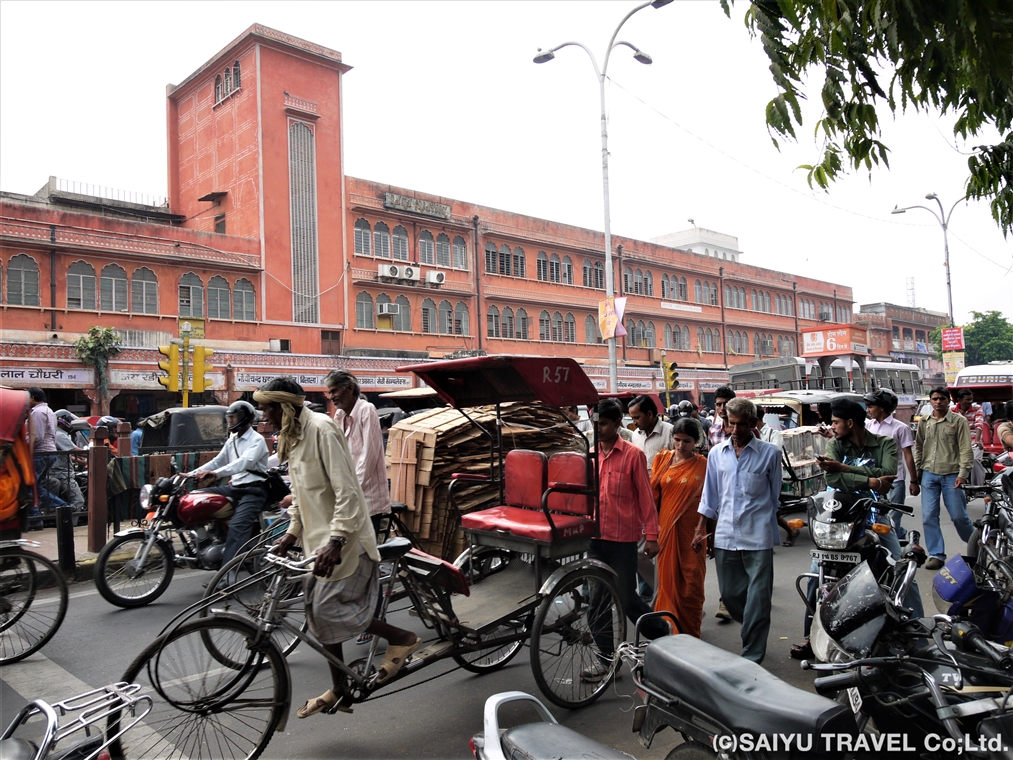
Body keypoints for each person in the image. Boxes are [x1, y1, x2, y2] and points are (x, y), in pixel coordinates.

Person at [258, 377, 420, 716]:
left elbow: (348, 491)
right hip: (318, 543)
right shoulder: (295, 437)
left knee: (330, 611)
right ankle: (340, 686)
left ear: (284, 406)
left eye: (268, 408)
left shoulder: (323, 430)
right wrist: (291, 534)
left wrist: (336, 541)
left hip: (346, 541)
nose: (265, 415)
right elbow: (303, 494)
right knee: (317, 614)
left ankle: (403, 637)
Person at [791, 397, 923, 658]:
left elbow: (888, 475)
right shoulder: (834, 444)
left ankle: (917, 630)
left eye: (837, 422)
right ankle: (810, 636)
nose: (833, 425)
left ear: (851, 423)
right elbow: (833, 478)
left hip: (875, 516)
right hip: (838, 519)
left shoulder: (884, 443)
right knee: (817, 574)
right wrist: (870, 480)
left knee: (900, 567)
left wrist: (844, 468)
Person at [584, 398, 668, 682]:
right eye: (596, 423)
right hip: (595, 538)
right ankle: (607, 659)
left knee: (625, 597)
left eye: (604, 423)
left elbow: (645, 498)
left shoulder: (633, 455)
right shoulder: (591, 454)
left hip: (622, 540)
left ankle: (663, 635)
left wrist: (652, 535)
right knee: (596, 602)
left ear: (618, 423)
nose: (599, 428)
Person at [693, 398, 781, 664]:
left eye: (743, 424)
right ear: (726, 423)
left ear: (754, 423)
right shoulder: (717, 454)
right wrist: (699, 530)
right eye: (732, 424)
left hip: (759, 535)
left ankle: (752, 654)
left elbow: (774, 496)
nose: (737, 429)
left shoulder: (770, 453)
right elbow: (710, 497)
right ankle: (755, 625)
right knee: (730, 596)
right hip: (726, 535)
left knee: (758, 597)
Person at [325, 369, 392, 644]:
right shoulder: (339, 417)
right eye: (329, 393)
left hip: (369, 500)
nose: (332, 398)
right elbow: (337, 454)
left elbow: (369, 455)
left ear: (350, 388)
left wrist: (350, 491)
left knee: (367, 562)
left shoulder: (367, 410)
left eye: (335, 392)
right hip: (350, 499)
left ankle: (375, 618)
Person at [187, 401, 270, 565]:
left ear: (245, 418)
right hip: (234, 488)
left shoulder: (257, 440)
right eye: (229, 418)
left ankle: (229, 576)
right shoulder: (232, 439)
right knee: (195, 498)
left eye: (233, 418)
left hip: (253, 491)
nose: (230, 422)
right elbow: (217, 461)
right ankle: (208, 540)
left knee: (237, 529)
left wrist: (215, 474)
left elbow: (243, 463)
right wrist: (190, 474)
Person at [651, 417, 708, 637]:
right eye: (677, 440)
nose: (681, 445)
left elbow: (710, 500)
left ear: (696, 441)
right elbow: (653, 495)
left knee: (692, 583)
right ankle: (669, 630)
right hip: (665, 528)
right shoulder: (662, 460)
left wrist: (704, 531)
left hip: (694, 530)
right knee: (668, 582)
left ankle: (691, 633)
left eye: (686, 441)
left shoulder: (704, 464)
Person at [915, 386, 974, 570]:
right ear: (930, 401)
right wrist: (917, 472)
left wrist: (963, 474)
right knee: (928, 516)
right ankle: (936, 554)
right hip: (929, 474)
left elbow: (966, 449)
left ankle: (977, 545)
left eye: (942, 399)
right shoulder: (924, 422)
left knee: (959, 516)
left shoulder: (958, 421)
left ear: (948, 401)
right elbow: (919, 447)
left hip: (952, 474)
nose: (938, 402)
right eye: (935, 399)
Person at [864, 389, 917, 541]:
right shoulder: (869, 426)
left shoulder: (900, 428)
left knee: (894, 515)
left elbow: (908, 455)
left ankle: (896, 550)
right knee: (876, 516)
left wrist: (913, 481)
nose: (868, 410)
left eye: (871, 406)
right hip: (874, 479)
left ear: (881, 407)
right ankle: (898, 535)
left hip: (896, 480)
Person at [707, 385, 736, 622]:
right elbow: (711, 470)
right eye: (718, 404)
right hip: (720, 501)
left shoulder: (746, 430)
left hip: (743, 502)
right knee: (722, 552)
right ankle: (725, 599)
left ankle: (737, 596)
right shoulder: (713, 431)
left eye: (725, 403)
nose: (722, 408)